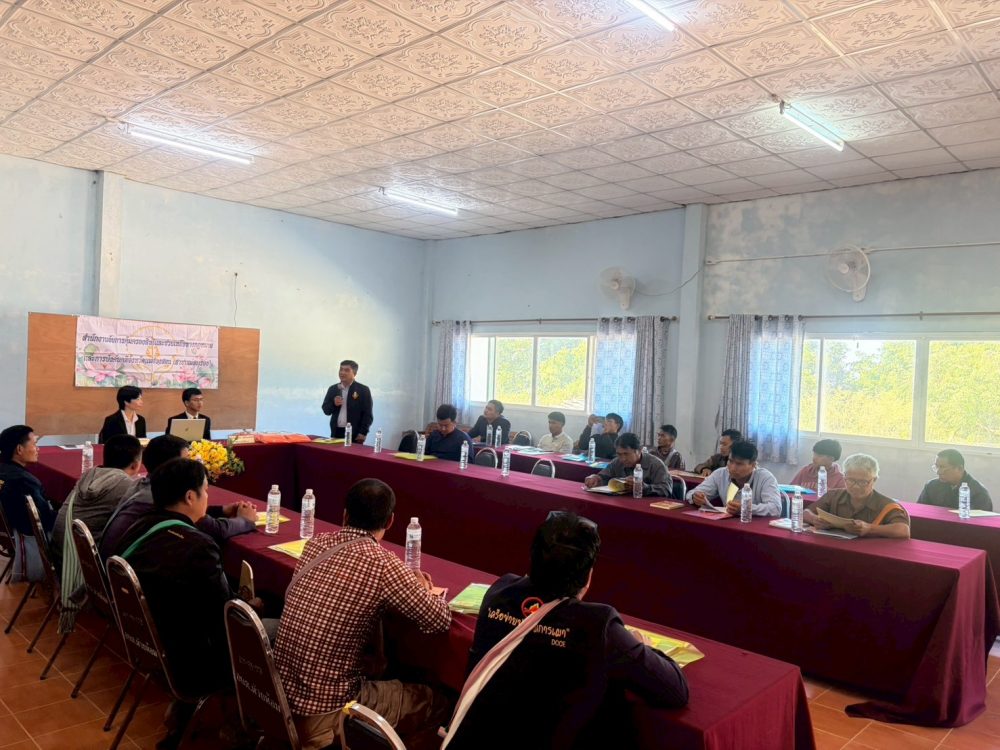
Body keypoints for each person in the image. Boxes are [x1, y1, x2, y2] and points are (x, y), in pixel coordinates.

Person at [444, 511, 688, 749]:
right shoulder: (597, 625)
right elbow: (674, 691)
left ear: (532, 559)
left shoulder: (500, 592)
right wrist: (643, 648)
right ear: (588, 576)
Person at [274, 478, 452, 750]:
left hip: (277, 699)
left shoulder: (315, 544)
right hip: (327, 711)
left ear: (344, 514)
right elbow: (439, 619)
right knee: (435, 702)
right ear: (390, 521)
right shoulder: (383, 565)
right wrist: (423, 589)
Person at [108, 458, 238, 748]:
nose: (208, 497)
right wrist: (253, 605)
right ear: (190, 497)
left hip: (147, 646)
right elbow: (224, 618)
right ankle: (244, 725)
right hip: (189, 661)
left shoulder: (139, 525)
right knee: (276, 630)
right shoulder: (197, 547)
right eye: (206, 490)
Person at [100, 434, 256, 559]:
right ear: (172, 466)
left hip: (116, 566)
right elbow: (214, 529)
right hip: (122, 573)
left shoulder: (145, 484)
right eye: (186, 460)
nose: (190, 464)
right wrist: (245, 520)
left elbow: (186, 515)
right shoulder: (155, 495)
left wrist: (221, 510)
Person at [52, 434, 142, 565]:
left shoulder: (89, 474)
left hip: (58, 551)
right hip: (82, 564)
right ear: (135, 465)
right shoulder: (125, 485)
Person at [804, 453, 910, 539]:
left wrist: (870, 529)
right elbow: (805, 513)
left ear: (874, 480)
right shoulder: (833, 496)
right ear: (844, 478)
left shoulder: (887, 505)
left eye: (863, 482)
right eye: (851, 480)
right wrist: (815, 519)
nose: (856, 486)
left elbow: (903, 530)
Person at [0, 425, 57, 582]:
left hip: (8, 533)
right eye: (34, 444)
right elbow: (46, 519)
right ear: (19, 449)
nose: (38, 449)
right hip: (31, 537)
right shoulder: (24, 481)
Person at [686, 440, 782, 517]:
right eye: (730, 461)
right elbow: (691, 493)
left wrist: (746, 508)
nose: (732, 468)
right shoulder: (720, 474)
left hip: (755, 528)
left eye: (739, 464)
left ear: (753, 465)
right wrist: (695, 497)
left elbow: (775, 508)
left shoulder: (765, 478)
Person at [584, 433, 673, 497]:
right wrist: (595, 478)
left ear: (639, 451)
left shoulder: (656, 465)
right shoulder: (617, 462)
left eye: (626, 454)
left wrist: (644, 487)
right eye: (619, 454)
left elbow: (666, 489)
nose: (623, 459)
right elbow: (603, 475)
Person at [917, 449, 992, 511]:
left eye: (942, 468)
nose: (938, 472)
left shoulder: (978, 493)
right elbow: (919, 512)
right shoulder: (931, 486)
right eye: (937, 467)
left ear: (960, 468)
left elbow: (981, 522)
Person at [321, 359, 373, 443]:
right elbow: (326, 410)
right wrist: (334, 404)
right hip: (336, 432)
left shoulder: (363, 390)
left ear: (354, 373)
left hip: (354, 434)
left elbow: (368, 414)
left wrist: (363, 432)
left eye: (346, 370)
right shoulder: (333, 389)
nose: (342, 372)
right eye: (341, 369)